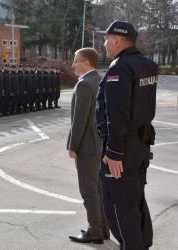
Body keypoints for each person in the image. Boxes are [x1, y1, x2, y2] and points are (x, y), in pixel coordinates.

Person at [96, 21, 157, 250]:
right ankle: (143, 243)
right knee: (135, 199)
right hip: (141, 144)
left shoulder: (120, 68)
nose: (104, 44)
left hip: (122, 148)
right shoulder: (147, 65)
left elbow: (117, 114)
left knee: (118, 208)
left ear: (117, 40)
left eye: (106, 39)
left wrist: (113, 152)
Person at [67, 48, 109, 244]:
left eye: (76, 61)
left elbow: (79, 120)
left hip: (87, 146)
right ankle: (103, 228)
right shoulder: (100, 80)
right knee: (98, 189)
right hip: (100, 143)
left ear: (86, 63)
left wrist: (73, 145)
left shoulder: (84, 84)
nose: (73, 64)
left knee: (88, 190)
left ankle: (95, 231)